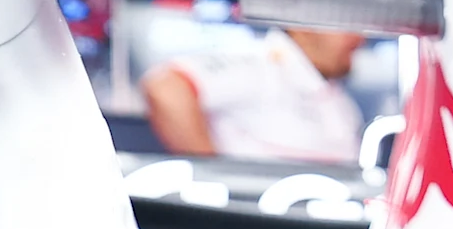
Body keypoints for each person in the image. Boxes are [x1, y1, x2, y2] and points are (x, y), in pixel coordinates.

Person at [142, 25, 366, 162]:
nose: (358, 37)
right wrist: (215, 183)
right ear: (303, 24)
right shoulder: (259, 65)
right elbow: (165, 87)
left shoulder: (342, 104)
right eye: (344, 25)